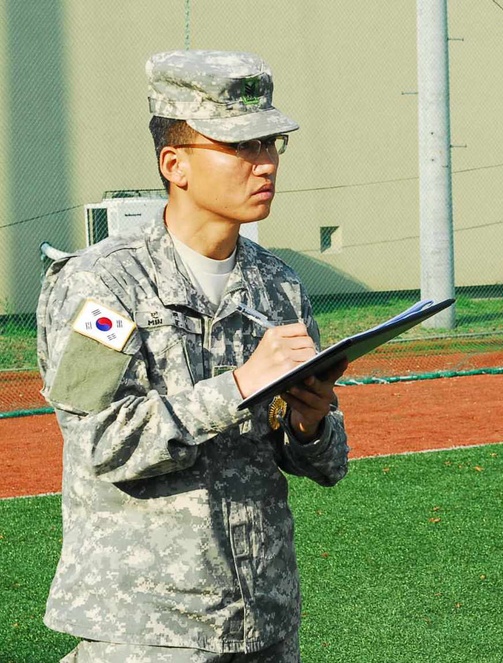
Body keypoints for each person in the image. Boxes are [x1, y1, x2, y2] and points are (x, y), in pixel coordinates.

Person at [36, 50, 349, 661]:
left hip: (265, 617)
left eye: (272, 144)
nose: (265, 164)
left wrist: (309, 423)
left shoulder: (277, 286)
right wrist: (238, 386)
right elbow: (102, 442)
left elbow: (326, 461)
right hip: (149, 624)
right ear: (174, 164)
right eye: (240, 147)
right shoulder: (103, 286)